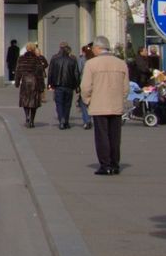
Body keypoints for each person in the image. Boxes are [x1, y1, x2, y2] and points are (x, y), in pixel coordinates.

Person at [81, 35, 129, 174]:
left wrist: (88, 100)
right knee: (115, 136)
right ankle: (115, 164)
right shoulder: (121, 63)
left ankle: (105, 165)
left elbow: (85, 87)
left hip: (99, 104)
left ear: (97, 48)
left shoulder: (91, 64)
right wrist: (122, 99)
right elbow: (126, 87)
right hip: (116, 104)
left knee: (102, 136)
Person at [46, 43, 81, 130]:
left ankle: (61, 119)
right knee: (67, 104)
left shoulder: (55, 60)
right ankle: (66, 121)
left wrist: (49, 83)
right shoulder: (72, 60)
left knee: (59, 103)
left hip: (58, 85)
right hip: (69, 85)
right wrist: (77, 86)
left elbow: (50, 72)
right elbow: (76, 74)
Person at [15, 41, 48, 128]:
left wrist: (17, 82)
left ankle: (27, 117)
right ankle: (32, 121)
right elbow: (40, 73)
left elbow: (18, 71)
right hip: (35, 82)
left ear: (26, 48)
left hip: (25, 81)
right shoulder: (37, 59)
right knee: (34, 103)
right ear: (33, 49)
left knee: (25, 100)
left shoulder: (21, 58)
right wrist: (42, 86)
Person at [76, 42, 96, 130]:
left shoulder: (82, 59)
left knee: (84, 102)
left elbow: (78, 70)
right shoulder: (95, 59)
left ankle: (87, 120)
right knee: (94, 102)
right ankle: (93, 118)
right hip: (95, 83)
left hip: (84, 82)